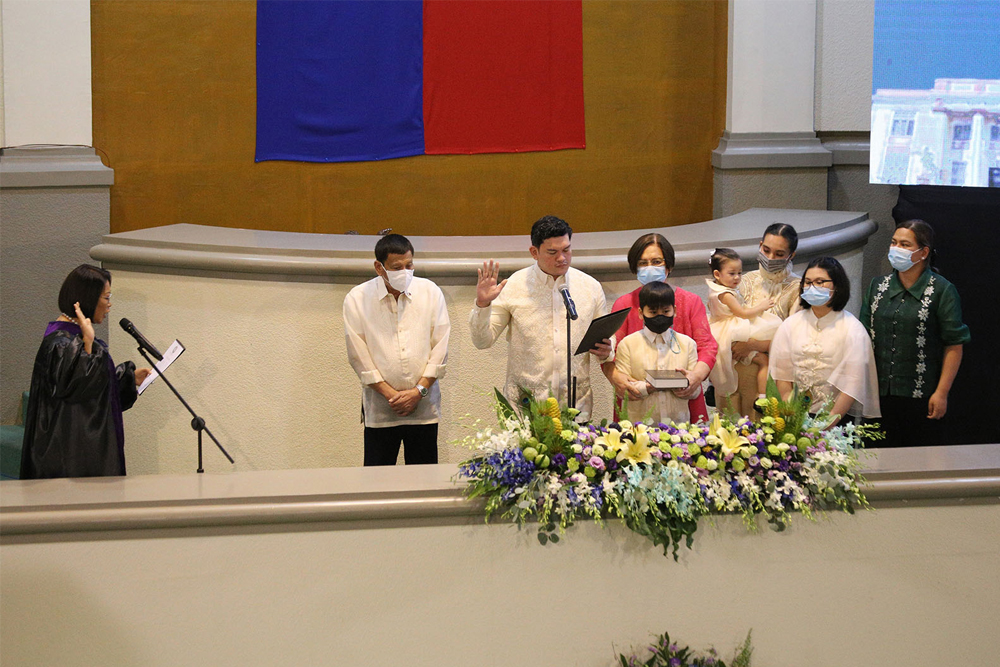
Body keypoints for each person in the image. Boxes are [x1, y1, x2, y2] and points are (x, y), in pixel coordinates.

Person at [470, 215, 611, 421]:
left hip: (575, 404)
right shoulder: (514, 285)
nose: (562, 258)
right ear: (534, 252)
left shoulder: (590, 287)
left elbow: (605, 334)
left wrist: (608, 348)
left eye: (567, 250)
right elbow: (482, 341)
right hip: (526, 407)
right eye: (552, 252)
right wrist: (483, 305)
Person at [20, 264, 151, 478]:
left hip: (79, 453)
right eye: (106, 298)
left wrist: (127, 378)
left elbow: (92, 392)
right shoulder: (60, 344)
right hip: (68, 463)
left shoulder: (72, 339)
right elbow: (77, 388)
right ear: (89, 299)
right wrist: (88, 341)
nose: (109, 305)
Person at [859, 220, 970, 447]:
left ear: (923, 252)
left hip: (922, 396)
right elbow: (863, 338)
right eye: (893, 242)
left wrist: (941, 392)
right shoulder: (877, 286)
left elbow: (954, 344)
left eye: (905, 244)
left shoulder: (941, 289)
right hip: (877, 396)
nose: (896, 248)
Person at [344, 234, 451, 465]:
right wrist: (391, 395)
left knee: (424, 482)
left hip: (423, 407)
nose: (405, 272)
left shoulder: (430, 292)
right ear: (379, 268)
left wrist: (418, 392)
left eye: (409, 265)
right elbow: (357, 354)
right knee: (377, 484)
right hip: (381, 410)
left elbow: (441, 347)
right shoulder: (357, 298)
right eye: (397, 267)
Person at [602, 233, 717, 422]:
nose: (649, 268)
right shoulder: (624, 304)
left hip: (683, 398)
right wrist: (615, 378)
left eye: (656, 261)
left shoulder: (690, 302)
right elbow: (608, 352)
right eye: (642, 263)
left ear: (668, 265)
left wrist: (695, 377)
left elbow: (707, 347)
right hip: (636, 400)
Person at [769, 257, 880, 426]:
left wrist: (827, 423)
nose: (813, 287)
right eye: (808, 282)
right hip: (794, 416)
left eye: (820, 282)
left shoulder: (852, 329)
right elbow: (782, 374)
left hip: (837, 418)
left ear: (837, 285)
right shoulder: (790, 325)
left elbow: (853, 382)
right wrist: (791, 414)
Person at [724, 223, 802, 415]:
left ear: (791, 255)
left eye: (779, 254)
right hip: (733, 369)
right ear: (760, 245)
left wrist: (752, 345)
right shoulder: (745, 279)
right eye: (766, 250)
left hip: (770, 374)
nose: (770, 258)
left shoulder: (797, 288)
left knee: (760, 434)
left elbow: (793, 340)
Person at [614, 282, 699, 424]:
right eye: (653, 312)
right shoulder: (627, 344)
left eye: (666, 312)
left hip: (679, 427)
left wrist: (685, 385)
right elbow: (623, 390)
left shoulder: (688, 344)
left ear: (675, 311)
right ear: (641, 313)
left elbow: (695, 390)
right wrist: (648, 387)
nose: (660, 316)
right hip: (639, 428)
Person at [705, 247, 782, 402]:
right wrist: (762, 306)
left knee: (762, 359)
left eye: (739, 273)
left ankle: (761, 397)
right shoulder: (726, 294)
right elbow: (743, 313)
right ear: (717, 274)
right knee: (764, 358)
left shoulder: (716, 289)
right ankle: (762, 397)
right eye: (732, 273)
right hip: (731, 331)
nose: (737, 277)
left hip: (724, 328)